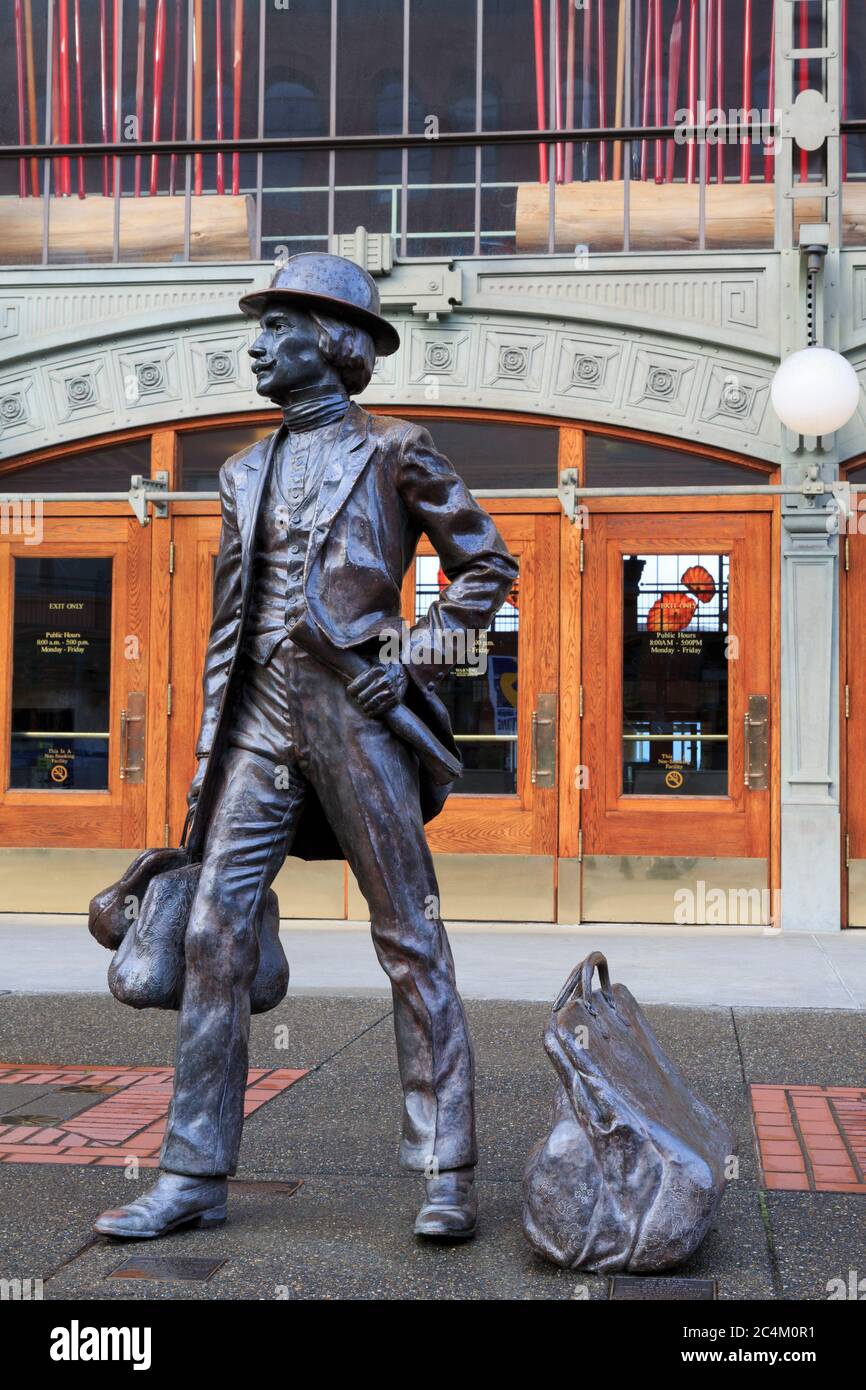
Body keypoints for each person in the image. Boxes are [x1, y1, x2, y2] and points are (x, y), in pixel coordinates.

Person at [94, 254, 518, 1242]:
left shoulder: (396, 451)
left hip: (356, 716)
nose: (254, 346)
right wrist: (206, 756)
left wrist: (411, 660)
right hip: (253, 727)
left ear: (327, 342)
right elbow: (229, 625)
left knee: (408, 934)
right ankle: (193, 1172)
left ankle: (442, 1167)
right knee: (209, 936)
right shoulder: (243, 469)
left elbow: (486, 563)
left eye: (274, 330)